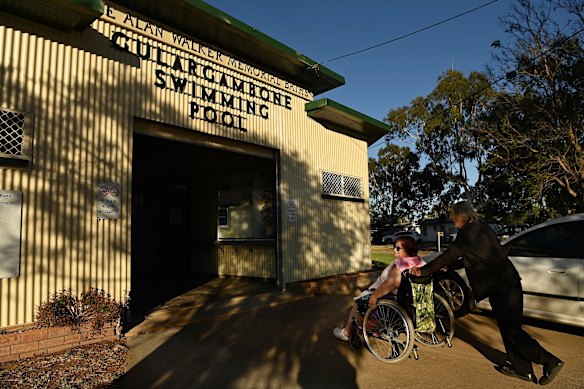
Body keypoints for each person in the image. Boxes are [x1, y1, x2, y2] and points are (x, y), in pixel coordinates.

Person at [410, 201, 563, 385]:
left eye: (452, 215)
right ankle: (522, 369)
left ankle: (549, 361)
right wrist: (449, 267)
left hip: (503, 287)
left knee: (512, 332)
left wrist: (424, 271)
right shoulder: (481, 227)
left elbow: (450, 254)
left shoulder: (468, 231)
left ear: (460, 215)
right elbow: (475, 256)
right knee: (507, 329)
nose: (451, 218)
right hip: (505, 284)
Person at [333, 236, 425, 341]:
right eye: (394, 247)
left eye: (398, 248)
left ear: (408, 250)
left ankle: (347, 332)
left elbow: (392, 283)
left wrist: (375, 296)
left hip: (389, 296)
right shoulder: (419, 262)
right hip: (411, 297)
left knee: (359, 302)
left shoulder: (400, 264)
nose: (394, 249)